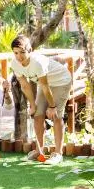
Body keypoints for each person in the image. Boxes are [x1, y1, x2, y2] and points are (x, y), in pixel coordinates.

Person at [9, 35, 72, 165]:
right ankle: (39, 151)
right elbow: (25, 85)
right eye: (16, 53)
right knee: (38, 114)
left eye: (22, 52)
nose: (19, 56)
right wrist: (32, 105)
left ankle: (58, 153)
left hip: (61, 81)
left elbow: (45, 86)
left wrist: (52, 106)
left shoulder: (37, 63)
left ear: (30, 50)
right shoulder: (15, 64)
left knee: (56, 115)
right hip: (45, 85)